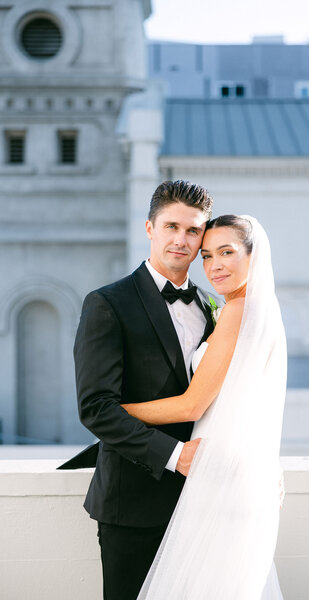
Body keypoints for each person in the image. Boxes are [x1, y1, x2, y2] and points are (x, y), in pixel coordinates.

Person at [58, 180, 222, 599]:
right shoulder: (107, 303)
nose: (181, 240)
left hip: (200, 505)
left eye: (192, 231)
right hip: (132, 506)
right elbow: (95, 407)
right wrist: (175, 455)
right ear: (149, 228)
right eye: (171, 226)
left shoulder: (212, 306)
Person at [121, 214, 287, 599]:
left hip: (220, 475)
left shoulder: (238, 311)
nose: (214, 266)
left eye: (227, 252)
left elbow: (193, 405)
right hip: (236, 471)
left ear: (253, 256)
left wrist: (117, 411)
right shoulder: (261, 311)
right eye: (207, 255)